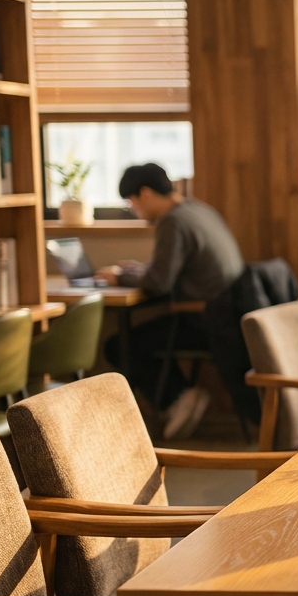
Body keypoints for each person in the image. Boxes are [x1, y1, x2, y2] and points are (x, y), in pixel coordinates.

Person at [95, 163, 245, 440]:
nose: (134, 209)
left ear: (146, 193)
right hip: (227, 315)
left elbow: (158, 282)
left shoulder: (173, 221)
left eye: (132, 202)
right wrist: (136, 271)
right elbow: (167, 270)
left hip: (207, 322)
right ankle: (180, 396)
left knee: (119, 346)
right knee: (133, 340)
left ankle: (178, 397)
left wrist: (119, 278)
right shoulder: (198, 210)